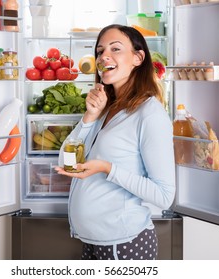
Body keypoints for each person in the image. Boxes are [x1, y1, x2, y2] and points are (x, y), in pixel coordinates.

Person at [55, 24, 175, 260]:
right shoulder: (106, 108)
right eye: (99, 51)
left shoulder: (149, 114)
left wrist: (106, 168)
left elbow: (164, 195)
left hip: (124, 244)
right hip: (93, 240)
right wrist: (89, 117)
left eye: (115, 49)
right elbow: (66, 161)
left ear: (138, 58)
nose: (103, 57)